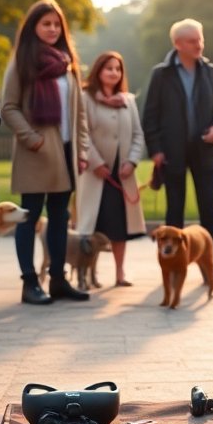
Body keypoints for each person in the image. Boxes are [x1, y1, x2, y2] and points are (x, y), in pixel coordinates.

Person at [0, 0, 90, 304]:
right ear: (33, 27)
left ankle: (58, 280)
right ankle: (29, 283)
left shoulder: (68, 63)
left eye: (56, 24)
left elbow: (79, 113)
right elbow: (8, 107)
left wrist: (82, 149)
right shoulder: (22, 61)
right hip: (36, 152)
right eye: (45, 24)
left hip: (67, 151)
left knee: (60, 216)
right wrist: (31, 138)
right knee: (30, 215)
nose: (52, 29)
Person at [142, 18, 213, 282]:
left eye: (200, 39)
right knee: (174, 210)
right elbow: (150, 115)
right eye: (193, 41)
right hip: (171, 153)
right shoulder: (161, 74)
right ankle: (172, 265)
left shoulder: (212, 72)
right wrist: (156, 149)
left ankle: (212, 264)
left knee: (209, 210)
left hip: (205, 151)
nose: (199, 45)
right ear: (178, 44)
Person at [76, 50, 147, 286]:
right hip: (96, 174)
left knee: (120, 226)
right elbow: (82, 133)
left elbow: (138, 135)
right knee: (93, 225)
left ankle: (120, 273)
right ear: (98, 71)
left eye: (118, 69)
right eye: (109, 68)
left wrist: (132, 162)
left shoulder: (128, 101)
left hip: (122, 174)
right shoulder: (85, 98)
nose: (114, 73)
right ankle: (89, 274)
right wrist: (96, 162)